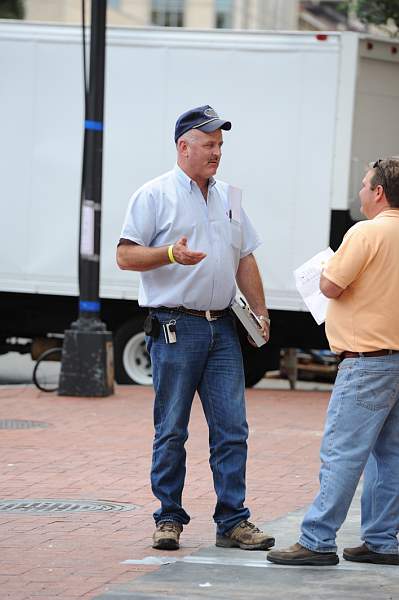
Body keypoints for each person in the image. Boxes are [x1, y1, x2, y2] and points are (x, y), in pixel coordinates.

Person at [117, 105, 274, 551]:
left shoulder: (230, 196)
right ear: (183, 146)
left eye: (220, 145)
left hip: (222, 328)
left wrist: (260, 310)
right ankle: (168, 517)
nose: (217, 153)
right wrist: (169, 254)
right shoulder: (153, 195)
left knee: (233, 428)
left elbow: (245, 257)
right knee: (172, 429)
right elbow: (125, 256)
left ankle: (233, 520)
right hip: (174, 326)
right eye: (209, 144)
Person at [267, 157, 399, 567]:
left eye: (364, 185)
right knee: (391, 456)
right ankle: (382, 539)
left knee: (343, 453)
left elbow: (330, 286)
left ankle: (317, 539)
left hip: (366, 360)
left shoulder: (365, 232)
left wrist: (327, 268)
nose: (360, 191)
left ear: (379, 192)